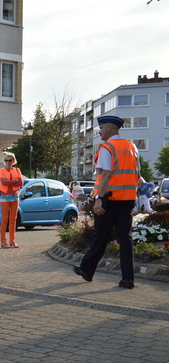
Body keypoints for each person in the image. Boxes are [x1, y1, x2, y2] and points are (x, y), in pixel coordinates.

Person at [73, 115, 139, 289]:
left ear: (109, 129)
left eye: (101, 128)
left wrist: (98, 200)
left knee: (101, 235)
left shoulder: (107, 147)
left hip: (109, 199)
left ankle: (86, 269)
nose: (99, 131)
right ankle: (128, 279)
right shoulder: (132, 147)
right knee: (125, 239)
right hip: (127, 199)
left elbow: (106, 174)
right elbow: (137, 174)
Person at [0, 152, 23, 248]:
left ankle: (12, 241)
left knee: (13, 220)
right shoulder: (1, 170)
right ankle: (3, 241)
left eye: (10, 160)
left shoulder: (17, 170)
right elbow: (3, 182)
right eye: (6, 160)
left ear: (13, 161)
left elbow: (21, 182)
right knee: (4, 219)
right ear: (4, 161)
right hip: (4, 197)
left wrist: (10, 182)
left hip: (15, 196)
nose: (8, 162)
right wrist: (14, 181)